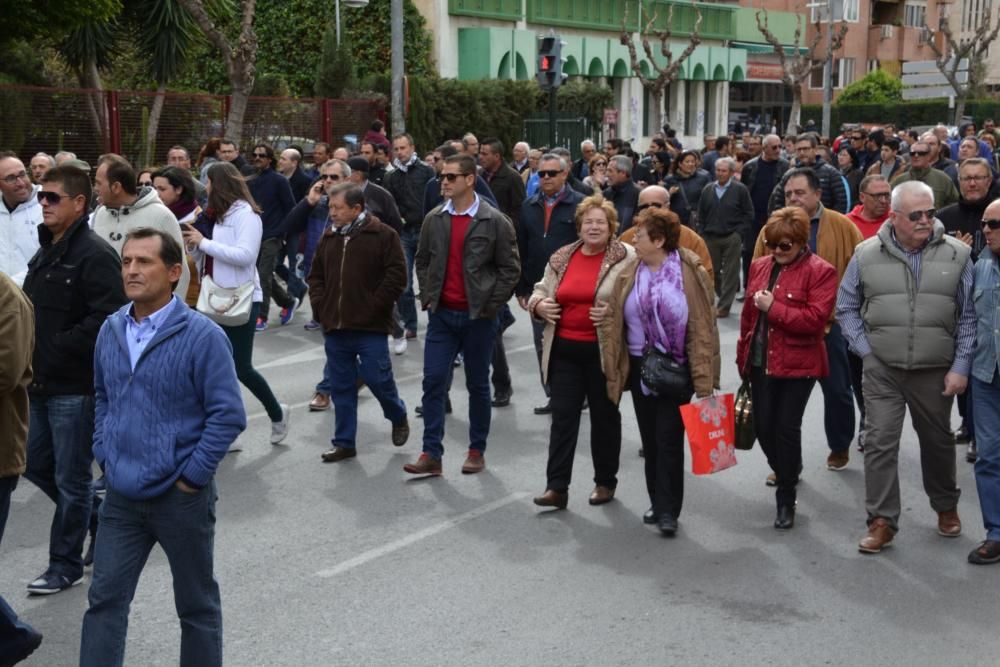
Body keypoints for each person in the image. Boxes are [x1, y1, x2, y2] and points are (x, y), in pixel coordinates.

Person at [80, 228, 246, 667]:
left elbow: (228, 415)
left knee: (196, 607)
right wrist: (106, 454)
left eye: (144, 262)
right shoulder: (112, 328)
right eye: (127, 261)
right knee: (104, 603)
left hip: (180, 499)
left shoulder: (203, 336)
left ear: (175, 272)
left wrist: (192, 479)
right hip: (121, 495)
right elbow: (102, 395)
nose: (132, 270)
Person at [837, 180, 975, 554]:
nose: (925, 220)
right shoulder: (866, 254)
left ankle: (945, 505)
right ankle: (881, 520)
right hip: (882, 368)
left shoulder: (957, 255)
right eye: (916, 215)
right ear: (894, 216)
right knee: (880, 442)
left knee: (938, 442)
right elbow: (846, 307)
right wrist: (866, 351)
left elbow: (968, 317)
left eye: (930, 213)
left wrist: (960, 366)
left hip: (934, 369)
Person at [22, 165, 127, 594]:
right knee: (33, 463)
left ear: (79, 203)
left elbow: (109, 316)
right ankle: (97, 519)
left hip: (74, 386)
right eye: (41, 197)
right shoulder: (48, 247)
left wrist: (59, 345)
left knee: (72, 478)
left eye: (52, 197)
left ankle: (64, 565)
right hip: (38, 381)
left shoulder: (95, 254)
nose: (42, 204)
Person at [405, 154, 520, 476]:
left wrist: (490, 304)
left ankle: (476, 450)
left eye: (451, 177)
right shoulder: (434, 218)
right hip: (442, 316)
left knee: (478, 385)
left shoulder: (493, 220)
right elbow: (423, 259)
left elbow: (509, 269)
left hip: (478, 318)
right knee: (433, 381)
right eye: (442, 176)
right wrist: (428, 294)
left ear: (470, 180)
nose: (444, 181)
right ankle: (431, 453)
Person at [530, 195, 636, 510]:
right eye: (587, 222)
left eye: (599, 222)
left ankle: (605, 482)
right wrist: (539, 305)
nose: (593, 227)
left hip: (603, 352)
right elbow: (541, 288)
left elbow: (638, 300)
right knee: (563, 419)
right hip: (564, 350)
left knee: (604, 419)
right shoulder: (563, 256)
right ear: (578, 226)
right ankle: (556, 487)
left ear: (611, 226)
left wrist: (614, 313)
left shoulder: (626, 257)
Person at [753, 167, 863, 473]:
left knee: (839, 391)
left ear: (818, 194)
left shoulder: (842, 226)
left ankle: (839, 445)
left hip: (829, 324)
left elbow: (858, 272)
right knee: (783, 409)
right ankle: (787, 465)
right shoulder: (771, 229)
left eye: (800, 192)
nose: (793, 198)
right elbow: (757, 271)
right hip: (780, 325)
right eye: (789, 193)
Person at [620, 206, 718, 535]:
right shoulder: (630, 268)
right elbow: (612, 309)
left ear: (659, 240)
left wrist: (705, 378)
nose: (634, 240)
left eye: (640, 236)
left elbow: (703, 326)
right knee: (651, 440)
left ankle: (669, 511)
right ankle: (656, 500)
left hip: (676, 368)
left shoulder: (688, 269)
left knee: (668, 440)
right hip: (639, 365)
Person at [739, 207, 839, 529]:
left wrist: (775, 308)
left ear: (800, 242)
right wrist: (742, 357)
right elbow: (747, 319)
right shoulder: (758, 266)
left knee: (785, 427)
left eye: (785, 246)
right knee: (763, 428)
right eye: (772, 244)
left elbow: (814, 321)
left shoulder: (820, 271)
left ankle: (785, 498)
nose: (777, 251)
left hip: (799, 363)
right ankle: (787, 470)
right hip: (759, 362)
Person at [181, 161, 291, 446]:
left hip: (240, 299)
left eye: (208, 182)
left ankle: (278, 414)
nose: (205, 188)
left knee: (241, 367)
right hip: (212, 296)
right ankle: (225, 429)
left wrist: (203, 242)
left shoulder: (247, 215)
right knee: (212, 367)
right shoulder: (215, 215)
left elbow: (245, 255)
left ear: (220, 185)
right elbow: (207, 257)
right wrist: (194, 247)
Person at [307, 183, 409, 463]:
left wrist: (374, 305)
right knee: (341, 387)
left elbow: (397, 277)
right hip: (336, 327)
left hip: (370, 326)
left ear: (357, 209)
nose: (332, 213)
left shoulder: (383, 235)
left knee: (378, 378)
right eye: (330, 207)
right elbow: (315, 276)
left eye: (338, 208)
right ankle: (344, 443)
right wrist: (320, 305)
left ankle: (397, 414)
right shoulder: (329, 237)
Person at [517, 154, 586, 415]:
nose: (545, 178)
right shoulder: (528, 206)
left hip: (572, 287)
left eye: (551, 173)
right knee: (542, 343)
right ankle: (554, 394)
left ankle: (576, 394)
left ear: (565, 174)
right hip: (539, 288)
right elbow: (522, 248)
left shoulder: (580, 205)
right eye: (541, 174)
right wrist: (522, 288)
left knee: (570, 343)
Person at [0, 270, 43, 664]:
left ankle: (12, 636)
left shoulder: (7, 296)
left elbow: (8, 370)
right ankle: (11, 635)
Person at [92, 154, 191, 300]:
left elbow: (179, 272)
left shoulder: (161, 216)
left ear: (116, 187)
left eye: (99, 183)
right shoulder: (99, 213)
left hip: (147, 315)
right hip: (102, 312)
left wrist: (172, 317)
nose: (95, 188)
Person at [968, 198, 1000, 564]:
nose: (987, 230)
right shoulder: (979, 267)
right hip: (986, 376)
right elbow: (967, 323)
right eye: (985, 225)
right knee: (989, 457)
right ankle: (996, 532)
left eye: (994, 224)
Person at [386, 133, 436, 340]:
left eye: (403, 148)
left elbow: (435, 198)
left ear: (412, 147)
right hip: (404, 233)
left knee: (430, 281)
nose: (400, 152)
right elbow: (390, 204)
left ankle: (436, 324)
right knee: (404, 283)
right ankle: (410, 324)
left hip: (426, 230)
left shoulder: (426, 171)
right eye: (396, 149)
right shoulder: (391, 176)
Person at [247, 143, 298, 331]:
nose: (258, 158)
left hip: (273, 234)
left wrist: (283, 232)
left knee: (263, 274)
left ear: (270, 159)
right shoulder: (249, 180)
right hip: (253, 234)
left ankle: (261, 316)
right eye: (255, 154)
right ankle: (287, 302)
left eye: (262, 155)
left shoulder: (279, 180)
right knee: (261, 275)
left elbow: (290, 208)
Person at [619, 185, 715, 284]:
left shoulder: (691, 239)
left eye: (656, 205)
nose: (650, 210)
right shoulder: (626, 238)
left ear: (668, 206)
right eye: (644, 206)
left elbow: (706, 277)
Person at [697, 157, 753, 318]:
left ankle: (724, 306)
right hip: (711, 236)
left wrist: (739, 233)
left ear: (731, 172)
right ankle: (723, 296)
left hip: (731, 236)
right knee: (713, 271)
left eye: (724, 171)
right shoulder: (708, 189)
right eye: (718, 170)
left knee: (731, 271)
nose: (720, 174)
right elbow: (701, 213)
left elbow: (748, 213)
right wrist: (702, 231)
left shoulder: (740, 189)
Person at [740, 135, 790, 291]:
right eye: (774, 147)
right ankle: (749, 286)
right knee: (749, 252)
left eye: (780, 146)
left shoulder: (785, 166)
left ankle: (771, 286)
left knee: (774, 251)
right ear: (764, 148)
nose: (778, 150)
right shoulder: (750, 166)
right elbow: (744, 191)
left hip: (775, 216)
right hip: (753, 217)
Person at [151, 166, 203, 307]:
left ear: (179, 189)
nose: (156, 194)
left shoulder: (198, 218)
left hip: (193, 297)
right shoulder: (154, 215)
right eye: (154, 188)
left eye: (162, 189)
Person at [769, 133, 849, 214]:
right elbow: (777, 201)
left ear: (815, 149)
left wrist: (830, 223)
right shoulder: (789, 174)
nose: (802, 152)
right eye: (799, 149)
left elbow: (841, 203)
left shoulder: (831, 173)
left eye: (805, 149)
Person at [0, 152, 41, 286]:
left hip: (34, 298)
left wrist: (10, 286)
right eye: (11, 178)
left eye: (23, 174)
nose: (21, 183)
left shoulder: (47, 206)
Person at [891, 140, 959, 209]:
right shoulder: (899, 181)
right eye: (912, 153)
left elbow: (954, 205)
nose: (916, 155)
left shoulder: (943, 179)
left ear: (929, 156)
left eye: (921, 153)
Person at [662, 150, 711, 226]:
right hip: (677, 220)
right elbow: (662, 202)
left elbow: (709, 198)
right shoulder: (669, 179)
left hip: (697, 219)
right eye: (687, 162)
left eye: (693, 162)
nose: (690, 164)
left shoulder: (703, 178)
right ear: (680, 164)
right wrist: (670, 194)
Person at [846, 175, 893, 240]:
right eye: (877, 196)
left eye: (887, 195)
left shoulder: (897, 220)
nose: (883, 201)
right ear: (862, 197)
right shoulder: (847, 222)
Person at [603, 155, 641, 232]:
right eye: (607, 170)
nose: (606, 174)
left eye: (610, 171)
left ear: (623, 173)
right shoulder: (606, 193)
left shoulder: (639, 195)